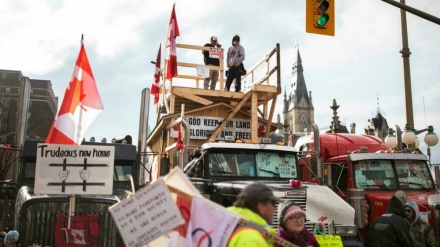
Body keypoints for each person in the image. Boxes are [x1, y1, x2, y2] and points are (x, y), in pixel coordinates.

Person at [227, 182, 280, 247]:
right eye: (273, 203)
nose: (275, 208)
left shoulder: (231, 226)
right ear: (261, 206)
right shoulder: (252, 239)